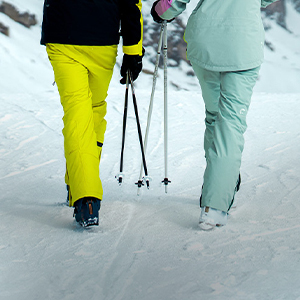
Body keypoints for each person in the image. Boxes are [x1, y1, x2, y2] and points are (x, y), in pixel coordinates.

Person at [151, 0, 278, 230]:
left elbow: (175, 1)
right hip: (243, 46)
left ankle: (220, 182)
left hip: (205, 43)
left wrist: (162, 11)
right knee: (230, 122)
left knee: (214, 116)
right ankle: (215, 205)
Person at [41, 0, 144, 227]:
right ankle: (86, 195)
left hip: (62, 34)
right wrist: (133, 53)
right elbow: (131, 5)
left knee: (79, 113)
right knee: (93, 110)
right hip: (102, 39)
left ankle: (81, 190)